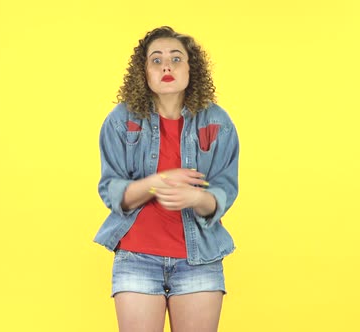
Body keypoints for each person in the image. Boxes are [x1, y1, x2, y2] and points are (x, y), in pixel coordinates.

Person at [94, 26, 239, 332]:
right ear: (143, 73)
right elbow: (111, 189)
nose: (167, 66)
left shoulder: (218, 122)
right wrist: (155, 183)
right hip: (137, 258)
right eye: (156, 60)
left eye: (176, 58)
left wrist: (199, 198)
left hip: (200, 259)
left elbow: (226, 187)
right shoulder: (120, 121)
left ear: (191, 69)